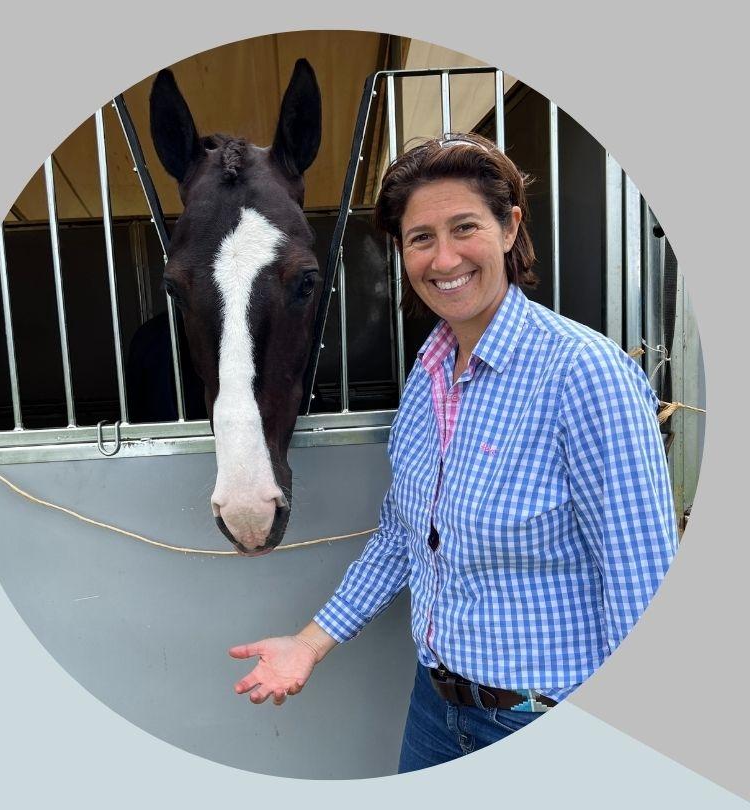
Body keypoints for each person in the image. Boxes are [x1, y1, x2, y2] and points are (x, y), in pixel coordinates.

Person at [228, 132, 678, 772]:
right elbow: (403, 536)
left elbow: (644, 587)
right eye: (420, 238)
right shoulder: (429, 370)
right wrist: (308, 644)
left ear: (509, 226)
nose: (444, 259)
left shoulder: (584, 374)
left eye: (464, 227)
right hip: (436, 714)